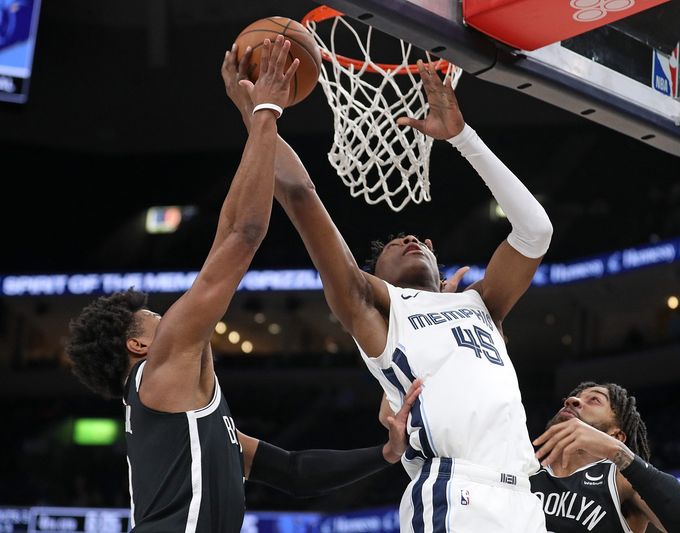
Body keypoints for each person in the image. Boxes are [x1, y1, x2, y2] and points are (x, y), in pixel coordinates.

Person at [65, 37, 418, 532]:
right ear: (139, 343)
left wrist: (383, 454)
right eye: (156, 318)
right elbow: (242, 235)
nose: (172, 316)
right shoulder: (162, 368)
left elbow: (294, 473)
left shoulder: (178, 407)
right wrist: (266, 110)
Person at [225, 51, 553, 532]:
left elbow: (536, 231)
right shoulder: (377, 309)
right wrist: (259, 112)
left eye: (419, 240)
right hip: (454, 495)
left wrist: (463, 138)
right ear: (372, 276)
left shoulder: (481, 305)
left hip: (524, 497)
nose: (409, 240)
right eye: (393, 244)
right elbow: (300, 195)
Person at [531, 382, 680, 533]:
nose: (572, 400)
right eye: (571, 399)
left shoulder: (620, 481)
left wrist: (619, 454)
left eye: (594, 399)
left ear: (616, 436)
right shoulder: (525, 467)